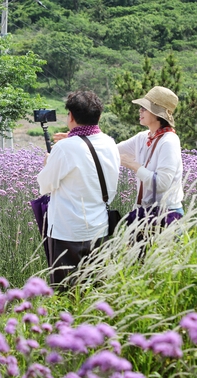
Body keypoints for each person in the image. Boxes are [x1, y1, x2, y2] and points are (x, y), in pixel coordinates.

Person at [37, 91, 120, 287]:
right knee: (95, 289)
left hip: (67, 230)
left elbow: (45, 185)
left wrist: (48, 161)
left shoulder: (65, 147)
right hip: (99, 227)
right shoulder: (110, 143)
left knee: (66, 292)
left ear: (71, 116)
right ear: (98, 117)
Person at [117, 86, 183, 218]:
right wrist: (80, 138)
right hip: (146, 213)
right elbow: (111, 150)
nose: (140, 111)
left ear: (158, 114)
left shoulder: (169, 141)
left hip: (166, 215)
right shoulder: (143, 137)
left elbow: (161, 184)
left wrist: (134, 165)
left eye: (144, 108)